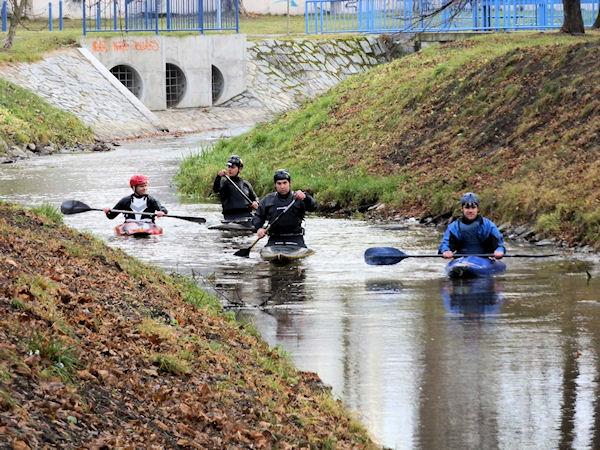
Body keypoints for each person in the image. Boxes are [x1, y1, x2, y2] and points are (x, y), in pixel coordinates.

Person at [252, 169, 317, 248]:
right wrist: (259, 228)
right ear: (275, 185)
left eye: (285, 183)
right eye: (279, 183)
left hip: (296, 239)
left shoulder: (299, 197)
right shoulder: (268, 199)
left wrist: (306, 198)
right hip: (274, 239)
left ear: (290, 183)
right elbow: (258, 216)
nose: (282, 186)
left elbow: (313, 207)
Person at [439, 192, 505, 259]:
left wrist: (499, 251)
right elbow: (445, 243)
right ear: (462, 209)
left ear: (477, 209)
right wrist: (446, 250)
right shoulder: (454, 227)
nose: (470, 211)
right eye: (467, 208)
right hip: (461, 259)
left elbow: (499, 245)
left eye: (473, 208)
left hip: (485, 259)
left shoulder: (489, 226)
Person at [212, 155, 259, 222]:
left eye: (233, 167)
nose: (229, 169)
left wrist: (256, 202)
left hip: (246, 216)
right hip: (230, 216)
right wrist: (218, 177)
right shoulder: (224, 183)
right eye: (228, 167)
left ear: (240, 169)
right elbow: (215, 189)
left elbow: (255, 198)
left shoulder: (246, 184)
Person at [102, 174, 167, 222]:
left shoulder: (151, 200)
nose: (144, 188)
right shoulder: (125, 201)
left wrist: (162, 212)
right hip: (130, 227)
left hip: (148, 226)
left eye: (145, 186)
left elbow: (163, 209)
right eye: (141, 186)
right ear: (134, 188)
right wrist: (108, 211)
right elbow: (111, 216)